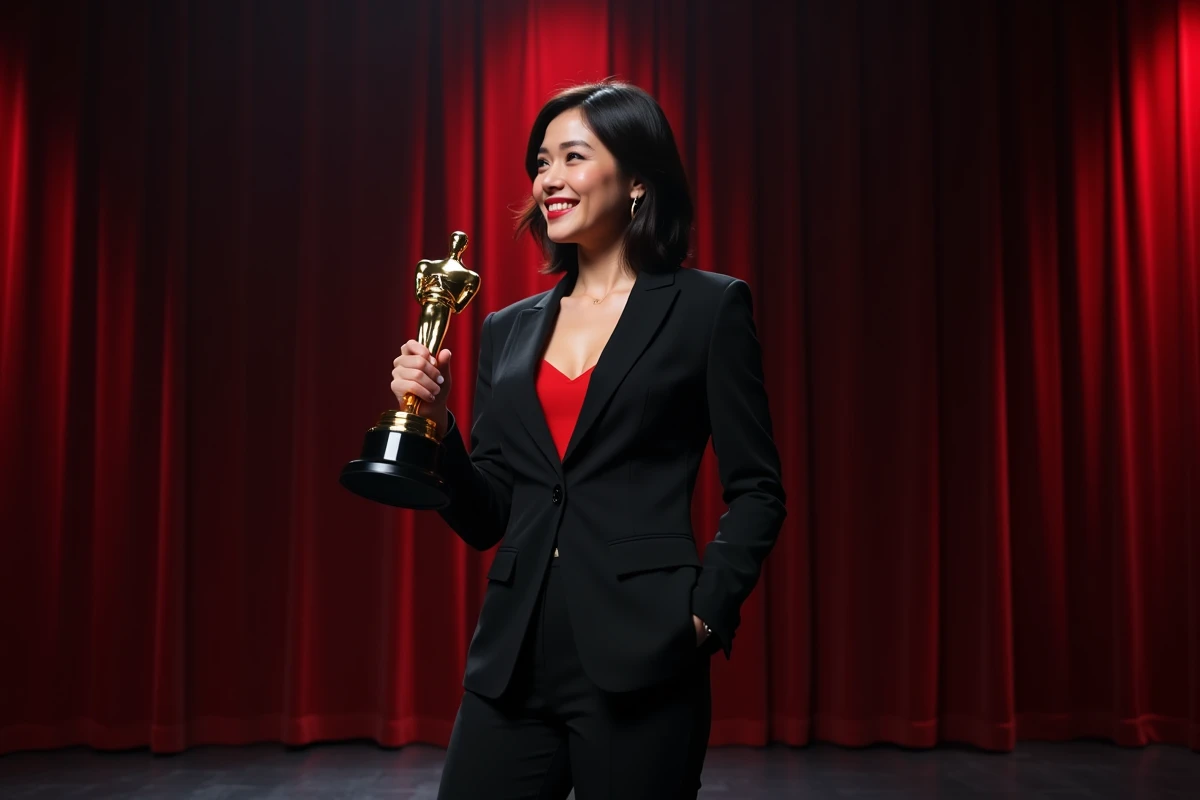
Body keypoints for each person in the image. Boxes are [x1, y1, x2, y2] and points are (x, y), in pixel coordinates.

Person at [389, 81, 786, 800]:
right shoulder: (506, 329)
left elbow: (758, 488)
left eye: (573, 156)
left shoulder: (708, 308)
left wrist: (704, 615)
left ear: (637, 180)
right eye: (541, 163)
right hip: (512, 659)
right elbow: (487, 516)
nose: (549, 179)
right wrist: (437, 426)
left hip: (646, 654)